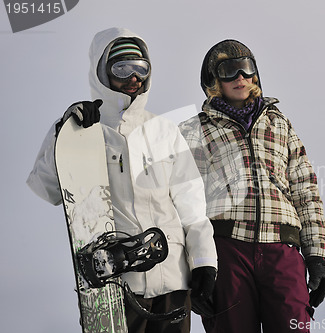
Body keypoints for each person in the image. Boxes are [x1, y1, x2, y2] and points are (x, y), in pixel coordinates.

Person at [26, 27, 217, 333]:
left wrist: (204, 260)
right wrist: (64, 130)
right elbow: (47, 187)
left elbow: (192, 205)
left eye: (141, 69)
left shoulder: (164, 130)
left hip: (173, 280)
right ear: (102, 71)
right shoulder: (82, 131)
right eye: (122, 67)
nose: (133, 77)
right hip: (116, 285)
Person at [178, 39, 325, 333]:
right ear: (212, 79)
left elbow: (305, 191)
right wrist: (196, 267)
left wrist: (318, 255)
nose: (240, 78)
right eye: (228, 71)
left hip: (282, 247)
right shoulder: (193, 130)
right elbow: (183, 202)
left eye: (246, 69)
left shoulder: (280, 124)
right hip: (227, 248)